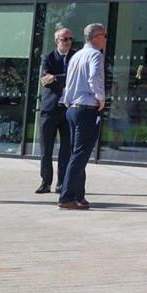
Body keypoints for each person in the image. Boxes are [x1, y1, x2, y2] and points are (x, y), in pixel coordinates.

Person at [55, 22, 107, 210]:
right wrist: (100, 98)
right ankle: (67, 196)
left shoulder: (76, 55)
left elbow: (69, 83)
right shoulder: (95, 55)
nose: (105, 39)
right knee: (80, 154)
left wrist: (68, 101)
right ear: (96, 37)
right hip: (86, 108)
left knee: (77, 153)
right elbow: (94, 78)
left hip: (72, 108)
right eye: (104, 35)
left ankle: (78, 194)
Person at [34, 26, 76, 195]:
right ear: (56, 40)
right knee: (46, 149)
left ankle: (61, 183)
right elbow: (45, 79)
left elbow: (75, 77)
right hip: (50, 109)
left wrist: (56, 77)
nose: (68, 42)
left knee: (66, 149)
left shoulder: (76, 57)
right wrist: (61, 78)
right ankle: (46, 182)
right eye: (64, 39)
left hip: (68, 109)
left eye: (70, 39)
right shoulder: (49, 57)